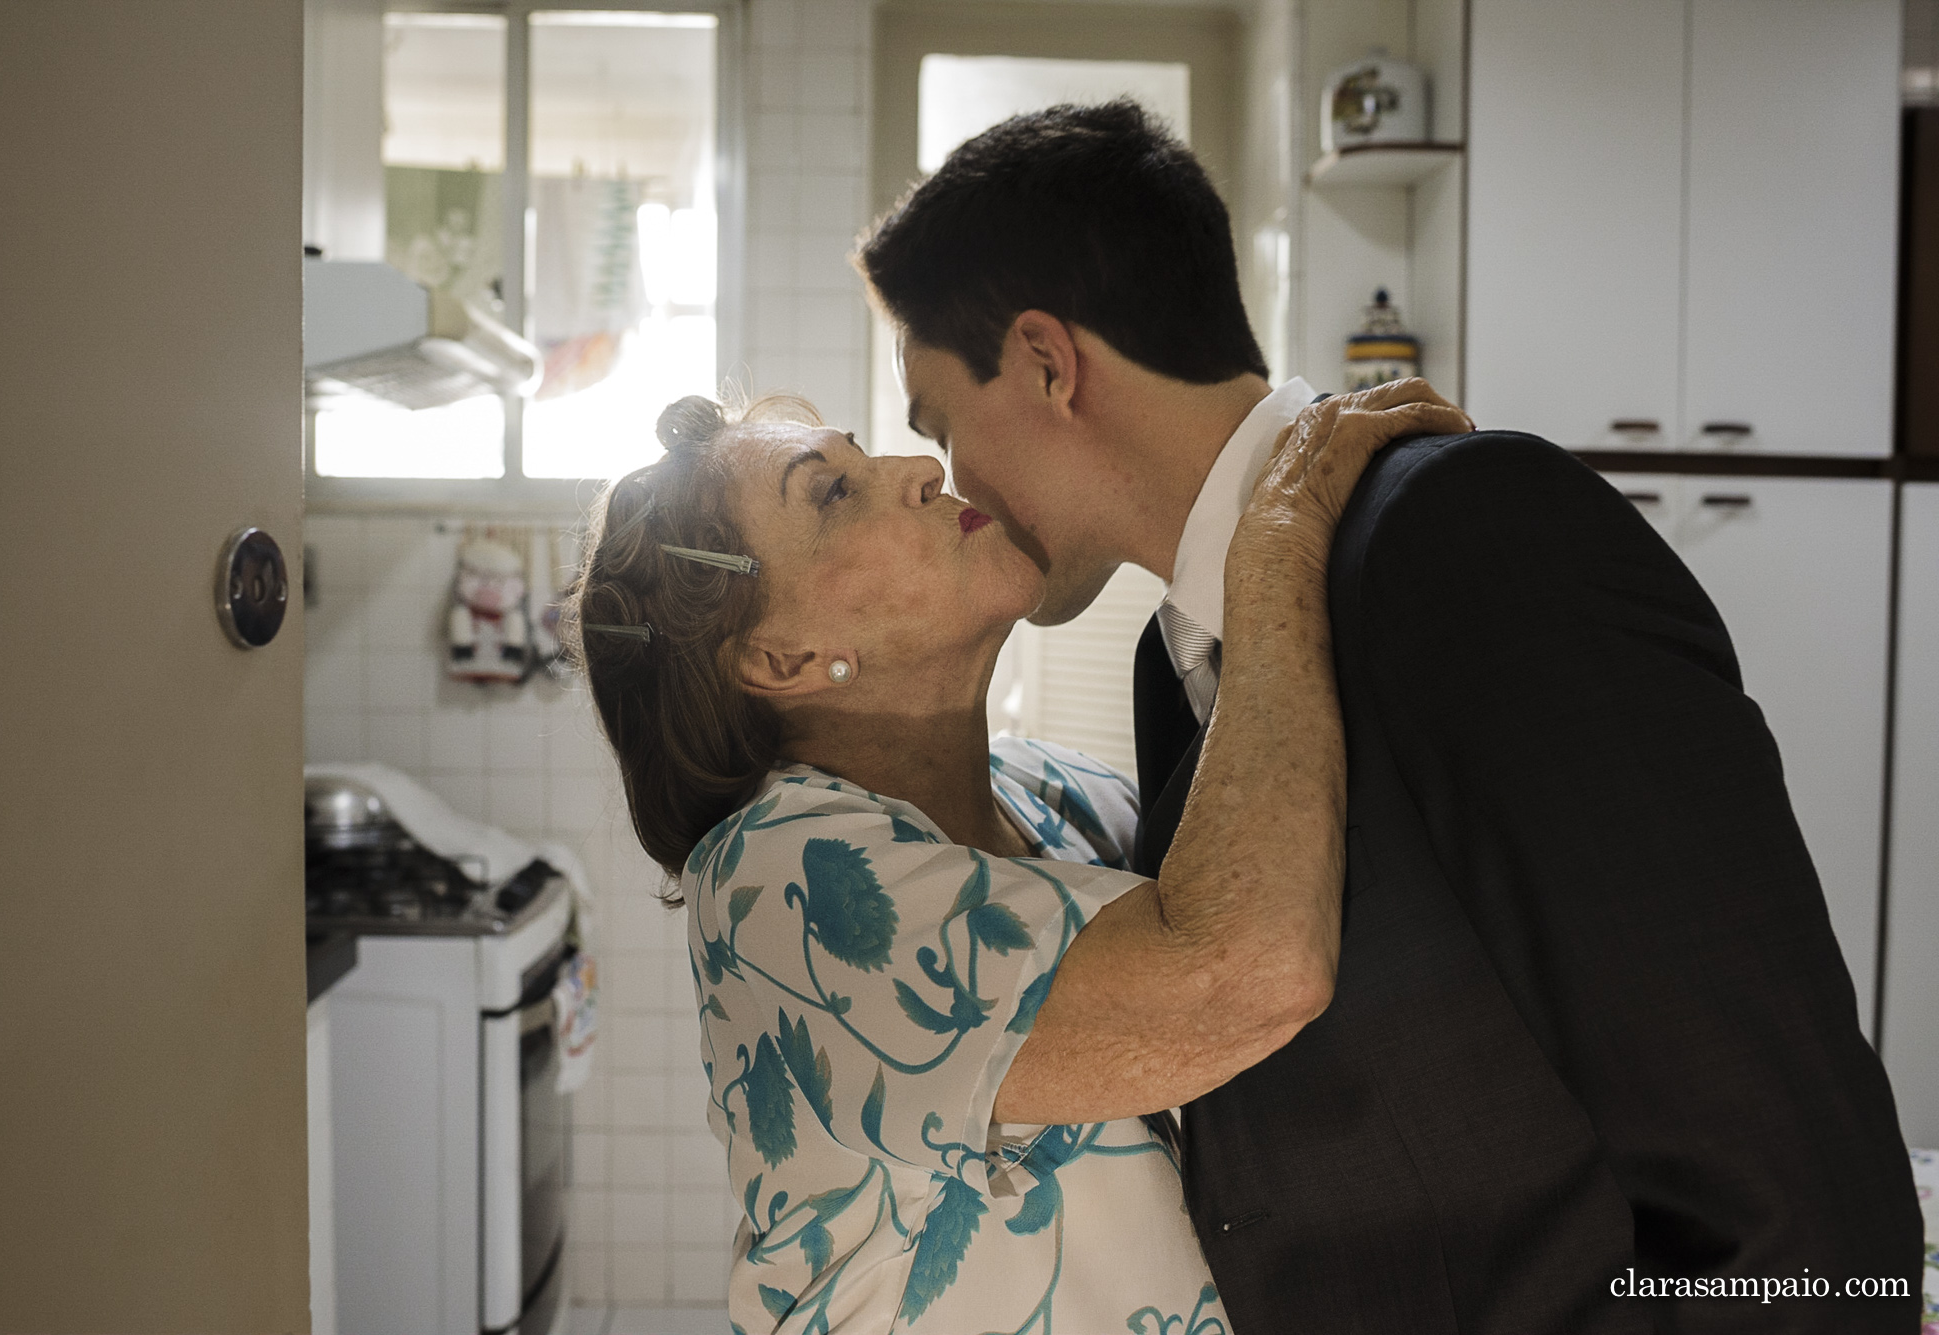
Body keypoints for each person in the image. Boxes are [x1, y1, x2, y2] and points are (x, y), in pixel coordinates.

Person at [856, 99, 1923, 1332]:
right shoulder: (1177, 663)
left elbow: (1782, 1165)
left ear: (1047, 362)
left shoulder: (1462, 533)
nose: (949, 481)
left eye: (939, 423)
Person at [568, 385, 1468, 1333]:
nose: (919, 470)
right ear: (782, 659)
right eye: (833, 492)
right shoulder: (775, 884)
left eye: (870, 454)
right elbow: (1246, 968)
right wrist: (1283, 529)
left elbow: (1266, 864)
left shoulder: (1051, 793)